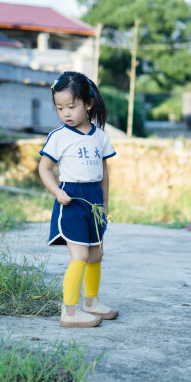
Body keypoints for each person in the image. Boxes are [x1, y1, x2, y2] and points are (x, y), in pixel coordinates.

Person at [38, 71, 118, 328]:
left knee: (96, 254)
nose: (66, 114)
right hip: (71, 199)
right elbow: (44, 168)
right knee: (80, 255)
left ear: (88, 104)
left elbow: (104, 172)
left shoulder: (100, 137)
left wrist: (105, 203)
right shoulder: (59, 137)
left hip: (93, 199)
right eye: (60, 108)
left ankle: (91, 303)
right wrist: (56, 191)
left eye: (71, 107)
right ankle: (69, 313)